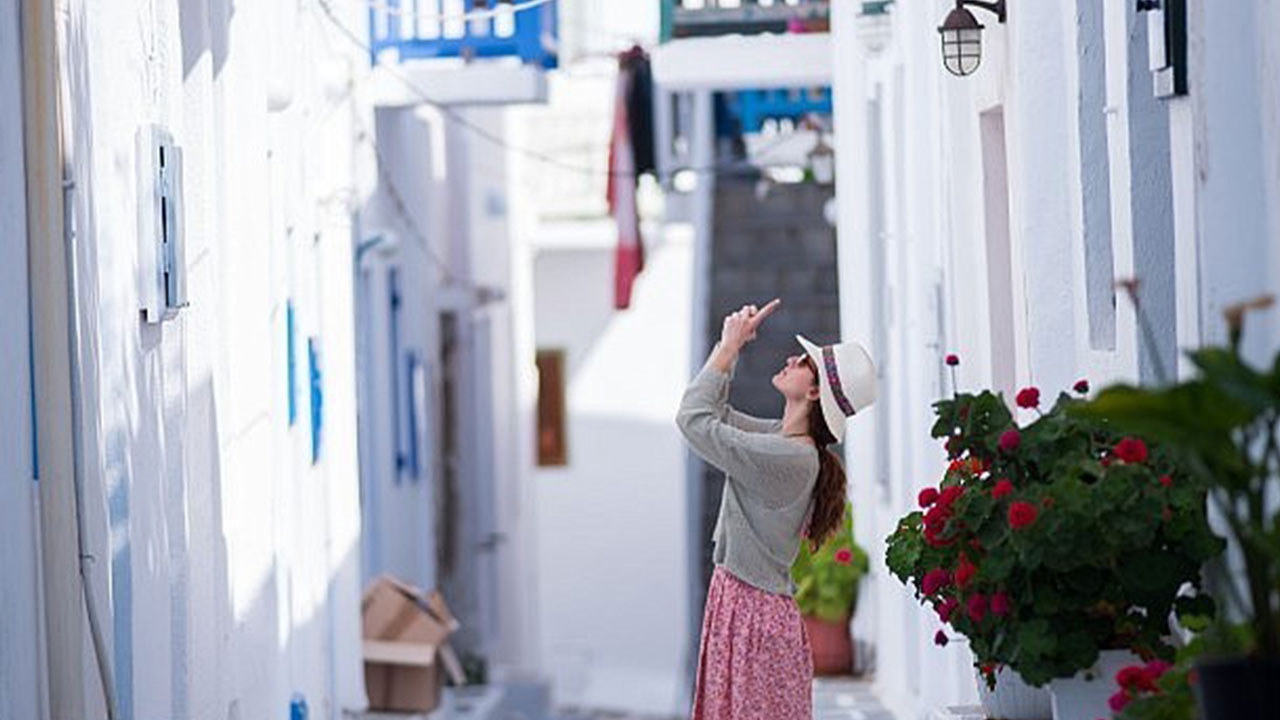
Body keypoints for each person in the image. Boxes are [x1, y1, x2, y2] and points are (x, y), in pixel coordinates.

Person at [677, 298, 877, 720]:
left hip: (753, 617)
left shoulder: (787, 459)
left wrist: (729, 348)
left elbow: (693, 420)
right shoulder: (781, 444)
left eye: (803, 361)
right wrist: (728, 346)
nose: (791, 357)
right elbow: (712, 415)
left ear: (814, 390)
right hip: (745, 610)